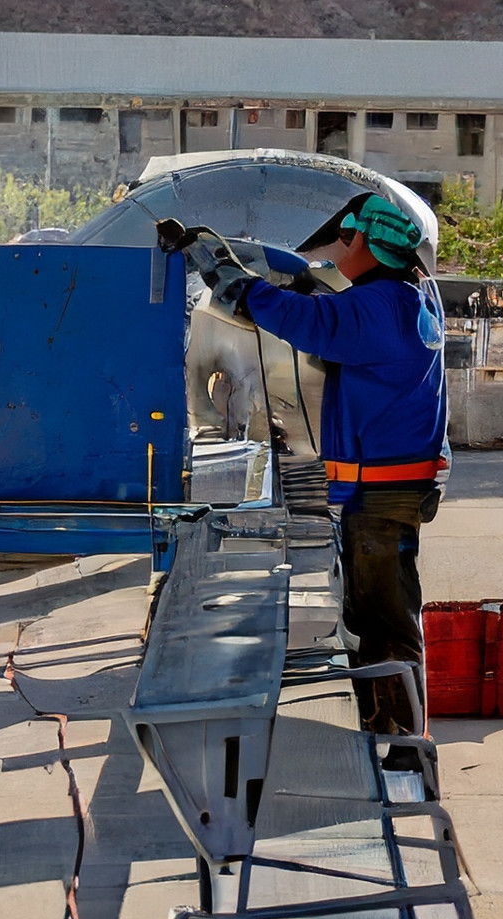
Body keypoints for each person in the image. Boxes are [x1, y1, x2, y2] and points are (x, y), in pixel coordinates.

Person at [163, 194, 448, 734]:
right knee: (372, 617)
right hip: (393, 490)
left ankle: (404, 745)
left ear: (365, 242)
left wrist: (218, 266)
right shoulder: (414, 296)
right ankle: (388, 732)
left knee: (384, 620)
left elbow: (294, 317)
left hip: (379, 497)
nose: (337, 254)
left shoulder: (376, 307)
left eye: (345, 241)